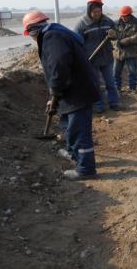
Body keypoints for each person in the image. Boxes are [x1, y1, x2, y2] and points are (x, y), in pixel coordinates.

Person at [22, 11, 100, 180]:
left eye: (30, 35)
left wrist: (55, 90)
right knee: (67, 125)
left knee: (79, 132)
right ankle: (73, 154)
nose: (32, 39)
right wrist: (55, 95)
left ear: (32, 30)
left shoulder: (52, 36)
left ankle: (86, 169)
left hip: (78, 91)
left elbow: (59, 65)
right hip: (70, 90)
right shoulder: (54, 33)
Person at [75, 0, 119, 112]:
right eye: (94, 12)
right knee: (95, 84)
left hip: (107, 57)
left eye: (99, 11)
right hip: (91, 59)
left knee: (110, 82)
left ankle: (114, 102)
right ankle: (99, 105)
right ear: (89, 11)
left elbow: (116, 35)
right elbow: (76, 43)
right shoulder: (82, 24)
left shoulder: (107, 21)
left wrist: (114, 35)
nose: (97, 14)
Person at [113, 5, 137, 93]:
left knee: (132, 72)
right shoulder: (116, 24)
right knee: (115, 72)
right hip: (119, 52)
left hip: (131, 52)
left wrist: (128, 40)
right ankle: (116, 88)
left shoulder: (136, 24)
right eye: (122, 16)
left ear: (129, 15)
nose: (123, 18)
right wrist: (116, 42)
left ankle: (132, 88)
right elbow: (111, 37)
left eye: (125, 16)